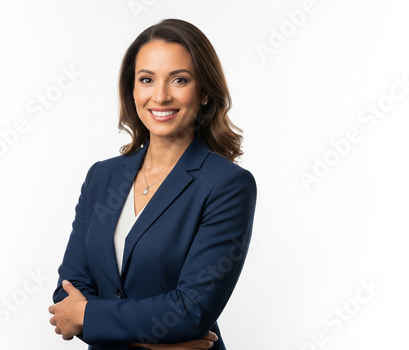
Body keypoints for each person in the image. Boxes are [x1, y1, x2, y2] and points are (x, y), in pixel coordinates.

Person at [48, 18, 257, 350]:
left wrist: (92, 317)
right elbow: (66, 298)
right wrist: (157, 345)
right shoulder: (101, 177)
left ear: (204, 92)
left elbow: (192, 309)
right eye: (147, 79)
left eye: (179, 80)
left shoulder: (227, 185)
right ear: (132, 90)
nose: (160, 96)